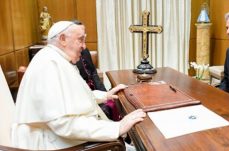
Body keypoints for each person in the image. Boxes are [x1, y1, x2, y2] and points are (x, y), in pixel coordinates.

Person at [12, 21, 146, 150]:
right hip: (51, 144)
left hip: (62, 138)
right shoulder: (49, 65)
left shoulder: (55, 58)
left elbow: (70, 98)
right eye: (80, 40)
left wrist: (105, 95)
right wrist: (117, 127)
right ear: (63, 39)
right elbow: (63, 124)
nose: (84, 46)